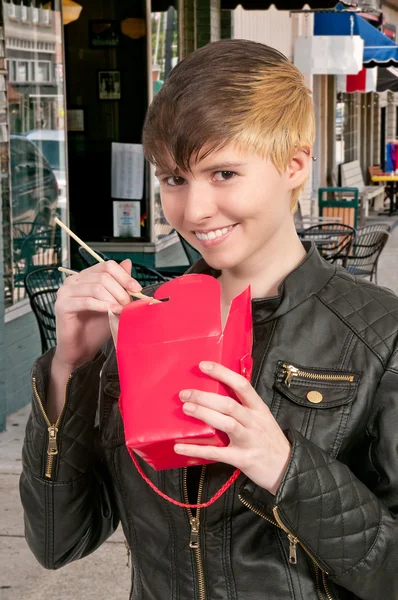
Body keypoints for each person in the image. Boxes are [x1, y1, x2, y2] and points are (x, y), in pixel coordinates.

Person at [20, 40, 398, 600]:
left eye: (223, 173)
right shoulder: (143, 324)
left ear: (294, 164)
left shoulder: (380, 335)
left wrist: (286, 468)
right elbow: (58, 542)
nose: (193, 211)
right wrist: (67, 374)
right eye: (174, 179)